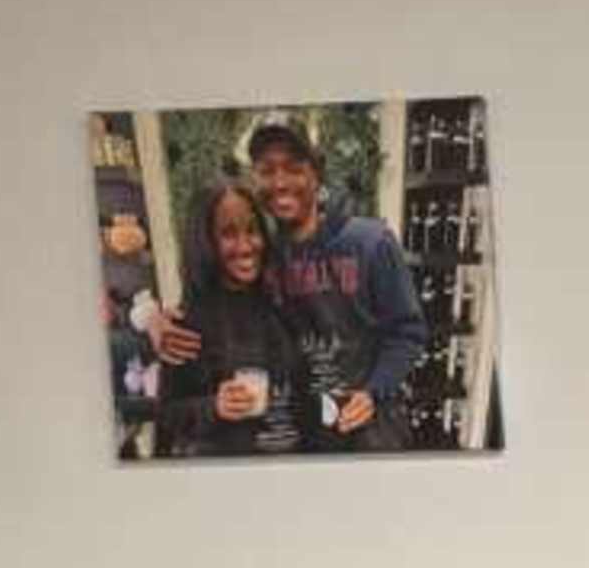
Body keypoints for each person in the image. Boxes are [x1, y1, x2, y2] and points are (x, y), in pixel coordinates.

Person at [244, 113, 424, 447]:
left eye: (294, 168)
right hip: (300, 435)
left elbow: (407, 333)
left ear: (316, 174)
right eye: (267, 170)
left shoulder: (370, 242)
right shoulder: (258, 257)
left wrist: (372, 392)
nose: (280, 183)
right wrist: (155, 320)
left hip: (371, 430)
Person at [143, 170, 302, 459]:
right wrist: (213, 407)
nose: (245, 246)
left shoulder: (280, 297)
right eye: (228, 234)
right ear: (206, 242)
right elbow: (168, 413)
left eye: (252, 230)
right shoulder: (187, 322)